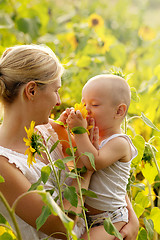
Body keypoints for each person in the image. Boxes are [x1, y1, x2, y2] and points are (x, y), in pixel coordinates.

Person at [0, 44, 93, 240]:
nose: (59, 101)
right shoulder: (3, 164)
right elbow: (60, 228)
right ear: (31, 91)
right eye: (56, 90)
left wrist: (128, 217)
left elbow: (101, 166)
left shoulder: (49, 130)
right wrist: (85, 172)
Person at [66, 74, 138, 240]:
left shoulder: (120, 143)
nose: (86, 110)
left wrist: (79, 132)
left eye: (95, 105)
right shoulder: (94, 138)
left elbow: (93, 162)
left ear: (119, 111)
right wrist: (67, 127)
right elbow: (79, 158)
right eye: (84, 104)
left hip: (111, 218)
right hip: (88, 218)